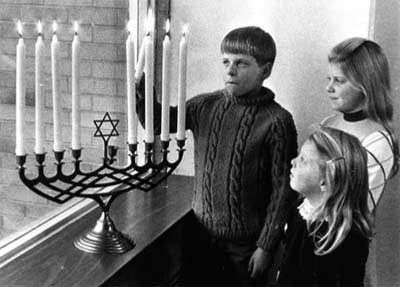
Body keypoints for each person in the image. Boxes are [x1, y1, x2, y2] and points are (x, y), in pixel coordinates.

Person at [136, 26, 298, 286]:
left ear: (265, 71)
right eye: (226, 62)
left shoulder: (277, 122)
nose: (230, 70)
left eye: (241, 63)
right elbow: (160, 126)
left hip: (246, 246)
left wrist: (265, 246)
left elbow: (283, 192)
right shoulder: (204, 106)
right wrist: (143, 93)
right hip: (199, 235)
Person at [322, 37, 399, 286]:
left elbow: (353, 207)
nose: (329, 88)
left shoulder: (378, 140)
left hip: (344, 245)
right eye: (329, 79)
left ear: (365, 85)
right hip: (312, 238)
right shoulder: (328, 124)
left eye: (339, 81)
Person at [276, 126, 374, 287]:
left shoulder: (346, 238)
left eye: (303, 159)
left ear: (326, 180)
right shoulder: (300, 208)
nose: (293, 162)